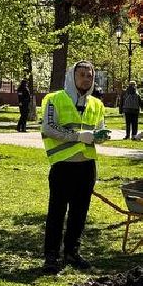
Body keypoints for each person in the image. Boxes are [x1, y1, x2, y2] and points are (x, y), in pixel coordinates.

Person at [40, 60, 106, 273]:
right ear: (72, 76)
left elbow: (98, 130)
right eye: (82, 75)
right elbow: (49, 128)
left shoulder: (97, 104)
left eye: (89, 75)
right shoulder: (55, 99)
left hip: (86, 167)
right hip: (63, 166)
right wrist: (79, 137)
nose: (86, 79)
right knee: (57, 212)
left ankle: (72, 252)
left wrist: (99, 137)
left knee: (80, 212)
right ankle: (51, 256)